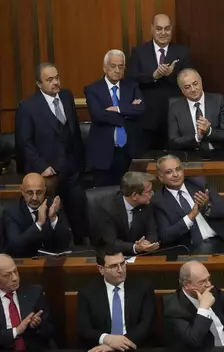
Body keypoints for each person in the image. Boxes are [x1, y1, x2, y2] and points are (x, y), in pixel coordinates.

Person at [15, 62, 88, 243]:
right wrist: (42, 167)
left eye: (57, 78)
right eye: (49, 80)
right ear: (39, 84)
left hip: (72, 169)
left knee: (78, 210)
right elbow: (25, 143)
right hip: (48, 173)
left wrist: (80, 163)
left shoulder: (66, 96)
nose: (55, 82)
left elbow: (74, 133)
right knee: (50, 214)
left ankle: (80, 246)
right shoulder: (28, 107)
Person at [127, 14, 193, 152]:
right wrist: (153, 76)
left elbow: (191, 81)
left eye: (167, 29)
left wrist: (172, 74)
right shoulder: (139, 52)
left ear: (171, 30)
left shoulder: (182, 52)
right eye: (159, 28)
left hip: (175, 120)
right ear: (152, 29)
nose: (163, 33)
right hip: (147, 120)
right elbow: (131, 79)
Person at [85, 50, 145, 186]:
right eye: (113, 66)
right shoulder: (92, 89)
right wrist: (129, 113)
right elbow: (98, 115)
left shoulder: (132, 86)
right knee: (104, 197)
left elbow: (140, 109)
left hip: (128, 152)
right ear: (105, 67)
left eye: (121, 66)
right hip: (103, 153)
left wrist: (118, 109)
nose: (117, 70)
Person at [77, 248, 156, 352]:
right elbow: (84, 329)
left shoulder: (143, 288)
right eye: (114, 266)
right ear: (101, 269)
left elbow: (146, 326)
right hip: (100, 349)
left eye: (122, 264)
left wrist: (114, 345)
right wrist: (107, 339)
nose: (121, 270)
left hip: (134, 347)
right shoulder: (87, 293)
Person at [152, 155, 224, 250]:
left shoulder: (199, 184)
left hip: (219, 241)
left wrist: (207, 206)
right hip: (188, 249)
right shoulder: (159, 200)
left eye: (178, 169)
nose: (176, 174)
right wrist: (190, 217)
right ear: (161, 177)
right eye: (169, 172)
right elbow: (165, 236)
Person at [163, 260, 224, 348]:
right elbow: (193, 340)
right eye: (202, 282)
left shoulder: (210, 290)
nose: (209, 284)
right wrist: (204, 308)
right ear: (186, 285)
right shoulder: (174, 309)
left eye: (208, 279)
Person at [2, 173, 72, 258]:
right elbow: (15, 246)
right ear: (22, 191)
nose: (34, 198)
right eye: (30, 192)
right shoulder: (11, 211)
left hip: (50, 263)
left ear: (45, 190)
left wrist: (53, 219)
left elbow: (66, 241)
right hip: (24, 263)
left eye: (39, 192)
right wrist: (39, 223)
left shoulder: (53, 205)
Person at [90, 172, 159, 256]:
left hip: (140, 256)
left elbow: (152, 232)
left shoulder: (147, 204)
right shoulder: (107, 208)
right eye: (148, 192)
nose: (152, 194)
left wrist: (147, 242)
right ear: (134, 196)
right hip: (111, 256)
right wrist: (135, 247)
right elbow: (111, 242)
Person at [168, 69, 224, 152]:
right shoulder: (175, 108)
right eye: (187, 87)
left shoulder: (218, 101)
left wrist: (209, 131)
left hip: (217, 154)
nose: (193, 89)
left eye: (195, 84)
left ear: (201, 81)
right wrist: (196, 137)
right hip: (190, 156)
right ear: (182, 90)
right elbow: (174, 142)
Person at [0, 254, 54, 350]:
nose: (14, 278)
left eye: (15, 271)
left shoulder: (34, 293)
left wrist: (38, 325)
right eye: (7, 275)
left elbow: (50, 331)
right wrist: (16, 331)